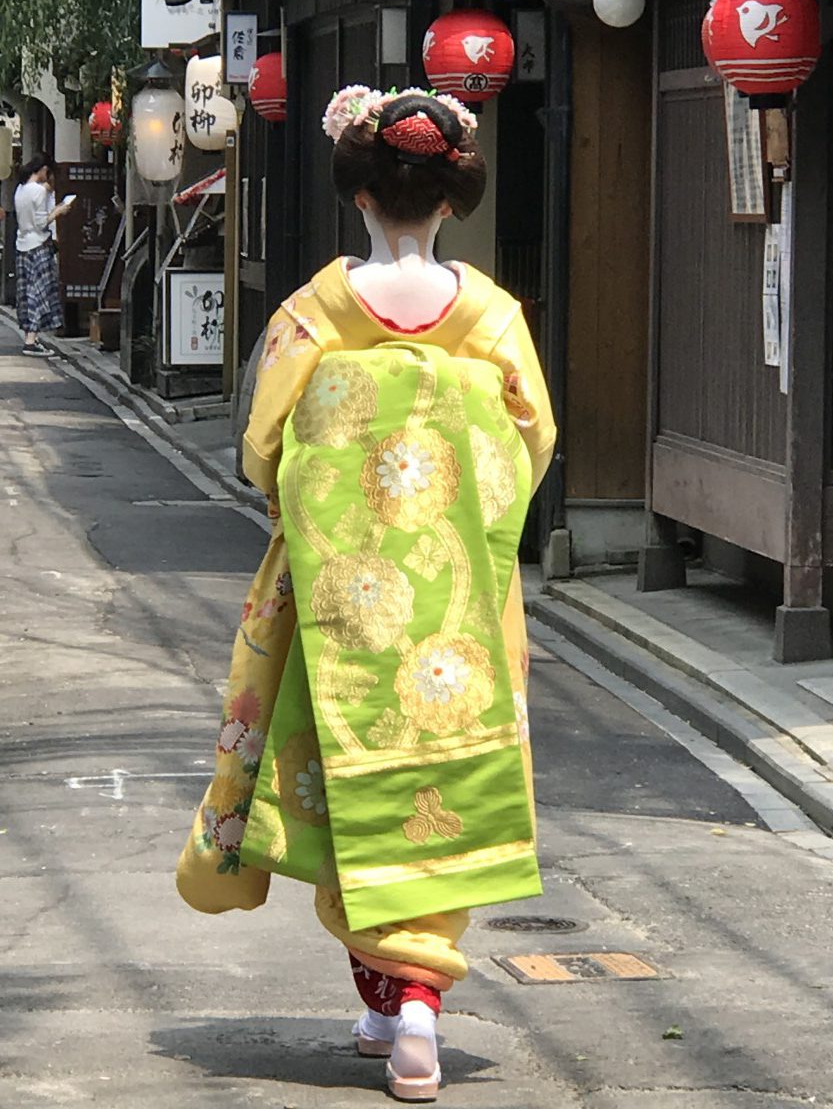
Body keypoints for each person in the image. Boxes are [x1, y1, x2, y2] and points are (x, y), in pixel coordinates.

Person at [177, 87, 556, 1102]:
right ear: (448, 201)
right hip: (459, 603)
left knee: (343, 774)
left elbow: (262, 447)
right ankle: (415, 1006)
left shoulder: (314, 314)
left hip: (335, 596)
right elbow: (532, 445)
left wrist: (330, 493)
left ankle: (395, 1004)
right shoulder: (490, 318)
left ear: (358, 197)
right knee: (443, 778)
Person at [14, 154, 71, 356]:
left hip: (22, 245)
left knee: (27, 293)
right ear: (44, 170)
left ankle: (32, 338)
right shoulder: (39, 191)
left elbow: (30, 219)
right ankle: (31, 341)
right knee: (39, 293)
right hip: (38, 245)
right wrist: (60, 211)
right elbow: (41, 223)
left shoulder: (20, 189)